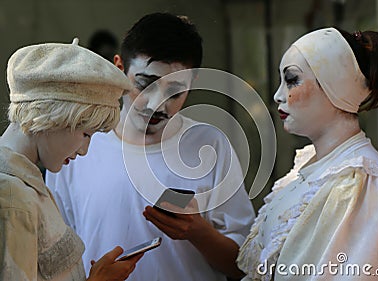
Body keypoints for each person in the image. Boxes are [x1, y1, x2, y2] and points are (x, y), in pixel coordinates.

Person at [46, 12, 255, 281]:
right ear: (119, 68)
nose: (158, 103)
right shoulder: (73, 146)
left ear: (194, 82)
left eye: (175, 92)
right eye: (144, 84)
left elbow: (246, 266)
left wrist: (197, 231)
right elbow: (50, 256)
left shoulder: (210, 146)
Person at [236, 27, 378, 280]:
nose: (278, 96)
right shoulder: (308, 169)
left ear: (335, 85)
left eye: (292, 80)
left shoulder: (361, 184)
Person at [0, 38, 143, 280]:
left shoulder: (27, 185)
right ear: (54, 115)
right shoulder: (15, 198)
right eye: (86, 134)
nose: (84, 150)